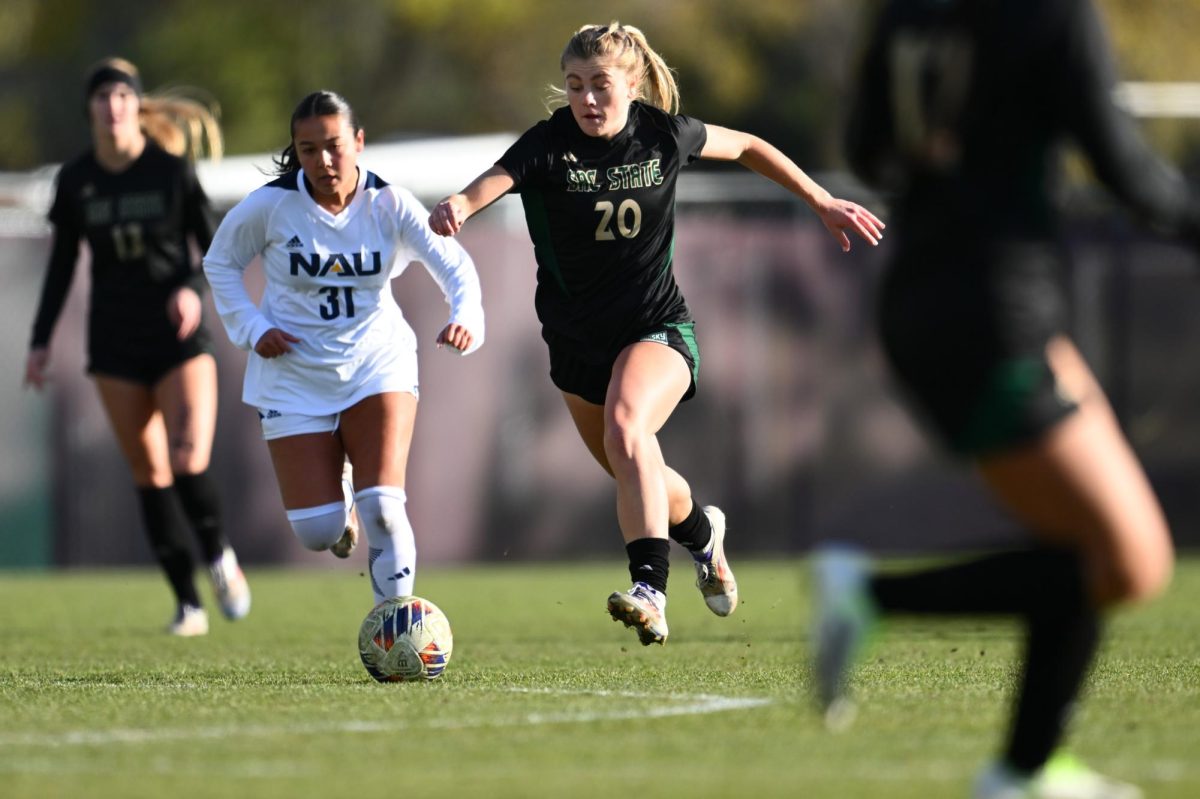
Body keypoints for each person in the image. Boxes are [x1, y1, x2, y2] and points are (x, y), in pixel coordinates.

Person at [816, 1, 1200, 797]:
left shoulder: (908, 9)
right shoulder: (1051, 15)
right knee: (1128, 559)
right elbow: (1125, 168)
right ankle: (865, 593)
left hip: (932, 297)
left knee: (1102, 552)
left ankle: (1023, 770)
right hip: (992, 313)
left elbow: (865, 147)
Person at [430, 21, 884, 646]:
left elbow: (749, 144)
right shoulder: (547, 144)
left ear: (633, 82)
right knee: (633, 465)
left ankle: (650, 590)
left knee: (627, 426)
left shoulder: (664, 134)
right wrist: (459, 203)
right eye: (575, 86)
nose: (587, 99)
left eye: (600, 85)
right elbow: (492, 183)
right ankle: (703, 534)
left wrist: (820, 200)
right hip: (575, 343)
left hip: (656, 328)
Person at [202, 90, 484, 612]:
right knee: (317, 531)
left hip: (378, 363)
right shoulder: (270, 206)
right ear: (296, 151)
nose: (323, 161)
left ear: (358, 142)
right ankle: (341, 501)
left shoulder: (390, 204)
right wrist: (251, 326)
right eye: (308, 150)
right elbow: (220, 263)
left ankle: (394, 627)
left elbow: (453, 265)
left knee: (383, 509)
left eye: (334, 146)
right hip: (292, 373)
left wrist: (466, 316)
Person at [24, 57, 250, 637]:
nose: (112, 104)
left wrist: (192, 290)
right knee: (149, 472)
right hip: (115, 339)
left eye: (122, 94)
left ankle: (219, 555)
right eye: (102, 95)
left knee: (186, 458)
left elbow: (216, 248)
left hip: (177, 337)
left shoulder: (170, 170)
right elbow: (62, 266)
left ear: (136, 105)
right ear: (90, 109)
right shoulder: (75, 181)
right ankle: (188, 605)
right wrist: (40, 341)